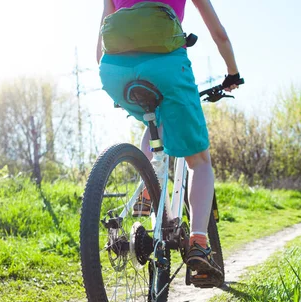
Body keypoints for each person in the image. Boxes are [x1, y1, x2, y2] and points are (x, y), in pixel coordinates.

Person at [96, 0, 241, 285]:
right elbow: (219, 33)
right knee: (199, 161)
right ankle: (199, 243)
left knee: (154, 119)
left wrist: (113, 81)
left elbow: (101, 38)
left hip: (114, 70)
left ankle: (146, 190)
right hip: (168, 67)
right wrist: (232, 74)